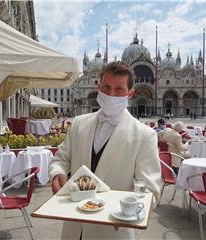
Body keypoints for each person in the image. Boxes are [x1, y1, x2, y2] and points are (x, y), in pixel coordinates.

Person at [49, 61, 162, 240]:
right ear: (98, 86)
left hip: (113, 230)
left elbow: (150, 190)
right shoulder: (79, 124)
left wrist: (129, 213)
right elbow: (60, 159)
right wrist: (57, 174)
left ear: (130, 93)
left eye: (119, 90)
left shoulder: (144, 135)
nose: (111, 94)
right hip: (73, 227)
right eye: (106, 87)